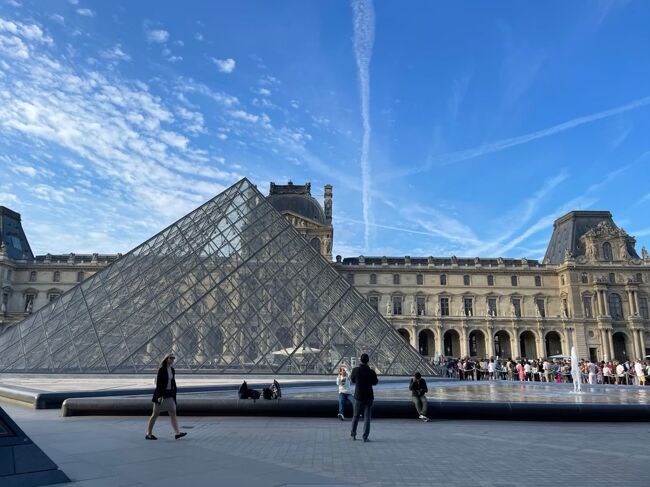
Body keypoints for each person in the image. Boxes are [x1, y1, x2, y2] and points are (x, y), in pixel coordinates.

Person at [146, 354, 187, 440]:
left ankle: (177, 433)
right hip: (161, 395)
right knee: (155, 414)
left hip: (170, 394)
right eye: (171, 358)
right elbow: (159, 384)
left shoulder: (172, 369)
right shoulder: (161, 370)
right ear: (166, 359)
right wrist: (160, 395)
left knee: (173, 412)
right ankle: (149, 434)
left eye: (173, 358)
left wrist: (174, 391)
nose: (172, 360)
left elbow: (172, 382)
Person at [350, 353, 378, 442]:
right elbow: (375, 382)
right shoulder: (371, 371)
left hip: (358, 396)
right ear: (368, 361)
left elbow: (352, 380)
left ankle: (353, 435)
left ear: (360, 360)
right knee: (367, 418)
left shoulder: (355, 370)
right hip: (369, 397)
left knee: (355, 416)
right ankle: (365, 437)